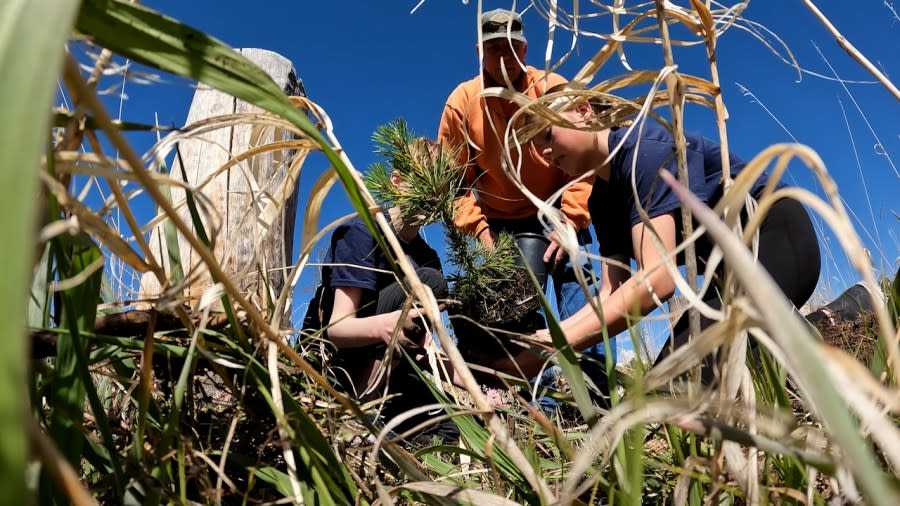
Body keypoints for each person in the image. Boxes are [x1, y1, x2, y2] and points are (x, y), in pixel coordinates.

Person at [509, 85, 821, 386]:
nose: (546, 154)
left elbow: (656, 282)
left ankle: (833, 325)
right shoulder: (600, 202)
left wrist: (555, 347)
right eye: (538, 150)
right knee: (666, 385)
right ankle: (827, 326)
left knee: (677, 390)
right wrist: (549, 339)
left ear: (582, 111)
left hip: (775, 234)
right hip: (731, 274)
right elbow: (610, 293)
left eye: (547, 136)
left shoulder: (642, 148)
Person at [437, 8, 614, 394]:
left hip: (558, 207)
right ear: (479, 51)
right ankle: (533, 395)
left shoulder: (552, 88)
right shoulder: (462, 103)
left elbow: (584, 159)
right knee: (515, 306)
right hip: (499, 223)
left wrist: (570, 218)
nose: (503, 58)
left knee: (579, 281)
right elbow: (453, 185)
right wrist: (484, 237)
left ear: (525, 47)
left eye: (511, 48)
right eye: (493, 49)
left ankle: (593, 389)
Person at [302, 139, 450, 430]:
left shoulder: (426, 257)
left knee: (447, 430)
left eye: (441, 186)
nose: (433, 194)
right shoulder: (361, 231)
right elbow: (337, 329)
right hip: (337, 363)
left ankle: (384, 416)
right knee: (428, 282)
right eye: (423, 179)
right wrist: (392, 325)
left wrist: (482, 382)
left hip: (396, 365)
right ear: (396, 181)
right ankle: (356, 415)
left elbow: (426, 344)